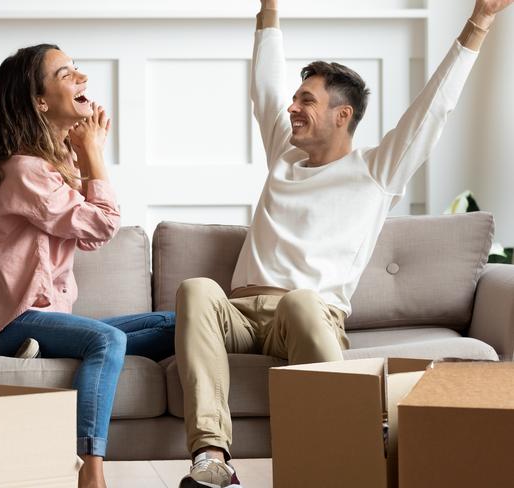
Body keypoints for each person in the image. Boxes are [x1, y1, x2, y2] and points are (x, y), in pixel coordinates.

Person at [175, 0, 513, 486]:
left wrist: (479, 21)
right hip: (240, 314)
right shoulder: (283, 154)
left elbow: (434, 109)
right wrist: (269, 7)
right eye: (295, 99)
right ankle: (211, 459)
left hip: (308, 316)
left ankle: (348, 442)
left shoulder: (377, 170)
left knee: (301, 302)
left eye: (306, 100)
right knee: (195, 289)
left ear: (342, 114)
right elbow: (265, 83)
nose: (292, 107)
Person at [0, 44, 175, 488]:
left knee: (177, 322)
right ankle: (91, 469)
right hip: (15, 323)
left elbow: (89, 234)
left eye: (78, 70)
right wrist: (94, 150)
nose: (82, 80)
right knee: (107, 339)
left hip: (50, 319)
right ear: (39, 100)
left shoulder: (51, 166)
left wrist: (81, 148)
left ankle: (70, 350)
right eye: (65, 74)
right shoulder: (25, 170)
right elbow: (101, 227)